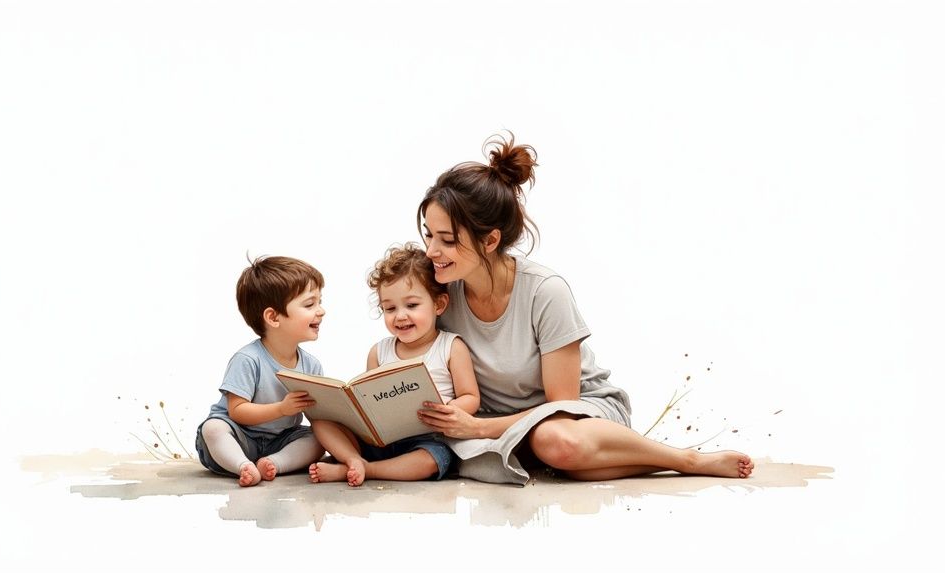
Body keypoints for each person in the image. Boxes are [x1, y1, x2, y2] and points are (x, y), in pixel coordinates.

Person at [415, 132, 754, 485]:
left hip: (578, 415)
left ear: (490, 240)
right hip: (506, 426)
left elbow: (562, 405)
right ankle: (591, 462)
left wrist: (478, 426)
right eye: (429, 235)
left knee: (554, 441)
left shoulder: (545, 292)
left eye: (447, 240)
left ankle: (687, 460)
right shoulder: (441, 296)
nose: (431, 251)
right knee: (552, 456)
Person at [308, 243, 480, 486]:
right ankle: (354, 459)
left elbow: (471, 397)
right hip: (381, 441)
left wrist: (448, 410)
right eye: (390, 308)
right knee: (320, 420)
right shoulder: (379, 351)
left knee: (432, 459)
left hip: (427, 439)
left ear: (438, 305)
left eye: (411, 305)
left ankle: (365, 469)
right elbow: (368, 399)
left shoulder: (451, 346)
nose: (400, 316)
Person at [195, 256, 327, 487]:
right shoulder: (248, 359)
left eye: (320, 302)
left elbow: (318, 416)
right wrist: (281, 408)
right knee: (213, 428)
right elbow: (236, 411)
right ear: (273, 317)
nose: (321, 311)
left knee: (318, 437)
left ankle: (274, 462)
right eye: (310, 304)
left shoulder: (311, 365)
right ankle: (241, 465)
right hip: (240, 436)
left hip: (281, 440)